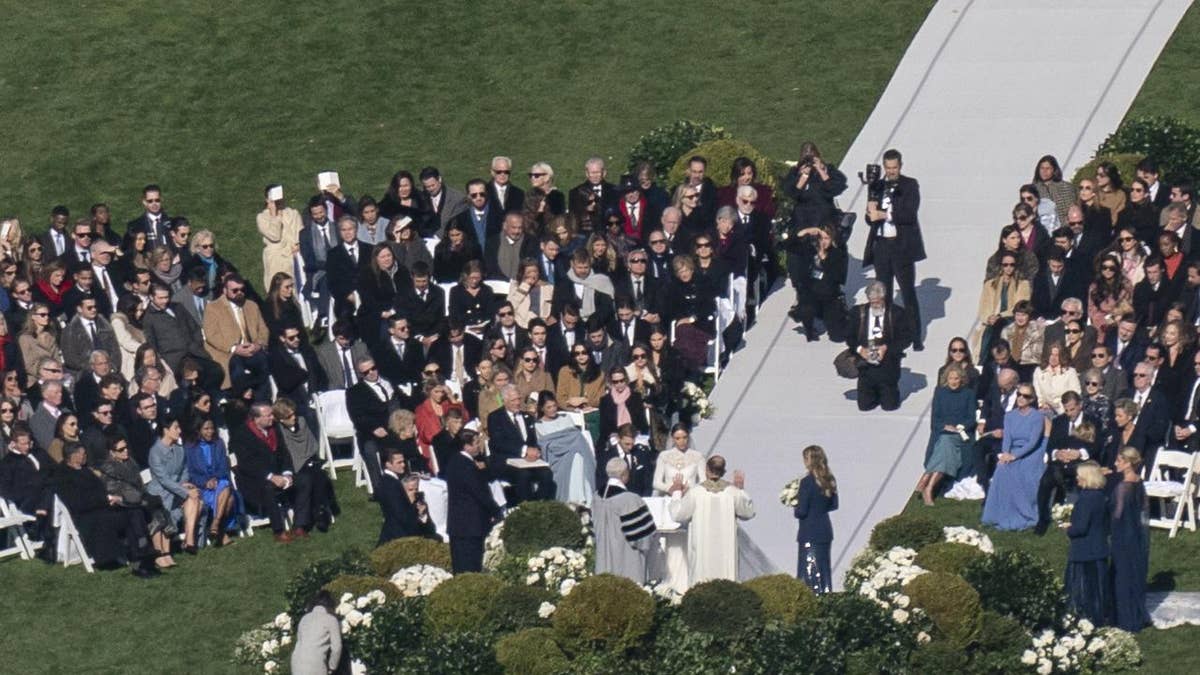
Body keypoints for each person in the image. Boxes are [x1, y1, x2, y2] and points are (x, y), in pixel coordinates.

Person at [54, 442, 158, 577]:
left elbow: (100, 489)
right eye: (83, 453)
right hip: (89, 517)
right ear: (73, 456)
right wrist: (104, 499)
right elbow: (78, 502)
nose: (86, 455)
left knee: (134, 511)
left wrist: (111, 499)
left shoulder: (85, 470)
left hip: (104, 509)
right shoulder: (63, 476)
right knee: (121, 517)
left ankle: (142, 551)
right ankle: (139, 557)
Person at [862, 148, 926, 350]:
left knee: (908, 293)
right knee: (883, 293)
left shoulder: (910, 185)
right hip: (882, 246)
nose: (891, 171)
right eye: (888, 168)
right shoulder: (877, 185)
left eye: (894, 168)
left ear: (900, 166)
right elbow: (870, 218)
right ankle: (887, 335)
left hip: (902, 247)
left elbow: (909, 213)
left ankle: (915, 337)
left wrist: (884, 214)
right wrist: (870, 212)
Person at [668, 455, 755, 586]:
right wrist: (740, 490)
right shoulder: (732, 493)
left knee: (702, 580)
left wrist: (676, 493)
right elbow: (748, 512)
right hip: (726, 553)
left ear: (706, 471)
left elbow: (677, 514)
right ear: (724, 471)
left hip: (703, 550)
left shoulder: (696, 493)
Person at [981, 384, 1050, 530]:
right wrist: (1006, 454)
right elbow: (1008, 438)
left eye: (1026, 396)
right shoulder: (1010, 416)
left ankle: (1025, 513)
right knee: (1002, 469)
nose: (1021, 398)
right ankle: (999, 513)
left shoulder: (1037, 416)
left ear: (1032, 399)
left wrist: (1014, 456)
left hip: (1031, 453)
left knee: (1022, 473)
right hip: (1012, 450)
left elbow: (1033, 441)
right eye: (1019, 394)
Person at [1034, 392, 1098, 535]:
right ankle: (1043, 519)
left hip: (1080, 464)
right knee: (1045, 481)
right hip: (1060, 463)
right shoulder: (1059, 422)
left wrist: (1079, 453)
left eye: (1072, 409)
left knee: (1075, 479)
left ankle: (1072, 513)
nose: (1069, 414)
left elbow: (1096, 446)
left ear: (1080, 405)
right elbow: (1051, 445)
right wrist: (1057, 453)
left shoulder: (1092, 421)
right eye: (1066, 410)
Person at [846, 280, 912, 412]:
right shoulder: (858, 313)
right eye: (872, 302)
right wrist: (860, 350)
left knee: (889, 405)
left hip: (887, 364)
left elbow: (906, 338)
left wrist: (886, 348)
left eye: (878, 301)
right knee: (865, 406)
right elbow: (849, 336)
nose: (875, 304)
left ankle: (888, 392)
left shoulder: (897, 313)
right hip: (865, 365)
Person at [444, 429, 503, 573]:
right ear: (466, 446)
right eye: (476, 443)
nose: (479, 446)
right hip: (470, 525)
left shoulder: (455, 461)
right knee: (471, 567)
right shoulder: (466, 466)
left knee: (462, 568)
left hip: (460, 525)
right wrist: (497, 511)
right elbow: (480, 493)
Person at [593, 456, 657, 585]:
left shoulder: (596, 497)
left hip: (602, 557)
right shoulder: (630, 500)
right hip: (626, 559)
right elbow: (643, 538)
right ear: (624, 474)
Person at [487, 384, 555, 504]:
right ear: (505, 401)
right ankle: (526, 509)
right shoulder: (495, 417)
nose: (517, 403)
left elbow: (533, 440)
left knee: (547, 474)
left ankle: (540, 506)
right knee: (524, 475)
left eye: (519, 399)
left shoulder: (527, 417)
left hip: (529, 461)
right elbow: (498, 443)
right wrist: (524, 451)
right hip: (506, 461)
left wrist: (536, 451)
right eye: (513, 400)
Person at [918, 364, 975, 505]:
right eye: (951, 378)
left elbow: (971, 418)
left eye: (956, 378)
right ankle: (929, 488)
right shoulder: (940, 392)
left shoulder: (968, 394)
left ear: (961, 379)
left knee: (947, 443)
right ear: (946, 379)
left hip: (961, 434)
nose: (954, 381)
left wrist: (960, 427)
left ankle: (926, 479)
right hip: (942, 432)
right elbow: (935, 420)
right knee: (945, 442)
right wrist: (945, 427)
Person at [145, 416, 203, 554]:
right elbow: (163, 479)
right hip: (160, 494)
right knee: (192, 498)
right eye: (176, 428)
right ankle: (185, 543)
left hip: (176, 490)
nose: (179, 431)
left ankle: (188, 541)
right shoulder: (155, 452)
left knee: (196, 499)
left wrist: (184, 484)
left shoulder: (179, 449)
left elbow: (184, 471)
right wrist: (185, 491)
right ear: (166, 430)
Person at [1109, 447, 1151, 632]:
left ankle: (1124, 617)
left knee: (1122, 575)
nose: (1115, 463)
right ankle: (1135, 612)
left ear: (1127, 463)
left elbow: (1116, 514)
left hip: (1122, 534)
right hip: (1136, 533)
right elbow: (1144, 507)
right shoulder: (1139, 482)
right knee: (1133, 573)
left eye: (1119, 460)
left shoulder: (1122, 486)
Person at [1064, 461, 1109, 625]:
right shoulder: (1100, 496)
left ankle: (1083, 620)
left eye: (1079, 475)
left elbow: (1080, 528)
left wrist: (1068, 529)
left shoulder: (1086, 499)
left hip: (1084, 551)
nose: (1076, 478)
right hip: (1099, 548)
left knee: (1083, 590)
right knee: (1098, 590)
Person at [786, 223, 848, 342]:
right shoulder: (811, 249)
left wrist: (824, 259)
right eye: (821, 238)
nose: (823, 242)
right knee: (806, 306)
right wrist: (805, 231)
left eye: (826, 238)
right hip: (812, 295)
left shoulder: (837, 254)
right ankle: (808, 326)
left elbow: (836, 277)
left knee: (837, 336)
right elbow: (791, 245)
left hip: (829, 297)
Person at [183, 417, 239, 547]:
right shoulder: (190, 447)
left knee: (225, 485)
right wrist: (205, 482)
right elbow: (190, 472)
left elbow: (223, 466)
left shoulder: (218, 443)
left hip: (219, 482)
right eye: (206, 429)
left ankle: (215, 523)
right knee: (228, 498)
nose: (210, 432)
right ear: (198, 430)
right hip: (201, 487)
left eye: (212, 428)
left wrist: (215, 479)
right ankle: (220, 532)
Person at [534, 391, 596, 504]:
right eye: (548, 407)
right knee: (576, 457)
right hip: (556, 459)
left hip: (575, 452)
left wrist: (566, 443)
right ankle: (575, 500)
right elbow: (549, 447)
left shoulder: (566, 418)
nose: (552, 409)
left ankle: (582, 500)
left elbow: (577, 438)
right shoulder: (539, 425)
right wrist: (566, 444)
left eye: (554, 406)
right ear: (542, 408)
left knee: (578, 457)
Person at [794, 445, 838, 594]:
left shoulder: (807, 482)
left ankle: (811, 599)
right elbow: (834, 505)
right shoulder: (829, 480)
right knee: (823, 568)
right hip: (825, 529)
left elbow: (802, 511)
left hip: (809, 531)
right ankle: (825, 596)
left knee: (808, 570)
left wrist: (795, 503)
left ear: (810, 460)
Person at [377, 448, 437, 544]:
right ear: (388, 464)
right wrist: (415, 507)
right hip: (399, 537)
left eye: (403, 461)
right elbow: (401, 515)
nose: (403, 465)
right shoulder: (390, 485)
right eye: (399, 462)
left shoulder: (390, 482)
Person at [290, 590, 343, 675]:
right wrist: (332, 667)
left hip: (297, 662)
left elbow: (299, 640)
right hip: (315, 664)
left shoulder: (304, 618)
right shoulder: (331, 620)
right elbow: (337, 647)